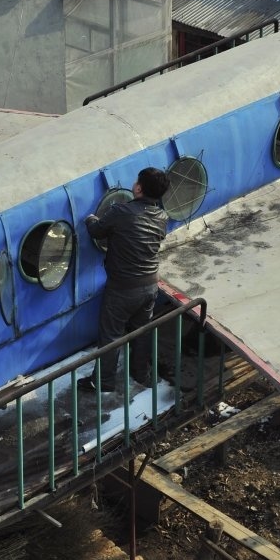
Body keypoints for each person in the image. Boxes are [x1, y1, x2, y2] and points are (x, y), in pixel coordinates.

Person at [79, 167, 170, 392]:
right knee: (142, 330)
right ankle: (141, 374)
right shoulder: (162, 217)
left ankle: (103, 382)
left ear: (138, 188)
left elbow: (97, 231)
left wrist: (90, 219)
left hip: (122, 288)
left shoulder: (121, 211)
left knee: (111, 336)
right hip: (150, 284)